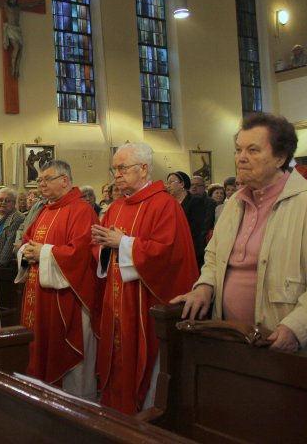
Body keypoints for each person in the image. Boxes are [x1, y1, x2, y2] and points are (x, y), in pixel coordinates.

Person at [171, 113, 307, 359]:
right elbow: (213, 257)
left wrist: (296, 327)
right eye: (238, 149)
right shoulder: (234, 203)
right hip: (230, 339)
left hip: (283, 345)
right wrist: (204, 287)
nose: (241, 158)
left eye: (253, 150)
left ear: (280, 157)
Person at [91, 143, 198, 414]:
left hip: (144, 302)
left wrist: (123, 243)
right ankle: (113, 409)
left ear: (144, 169)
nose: (116, 174)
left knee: (141, 365)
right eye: (114, 168)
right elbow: (105, 250)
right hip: (117, 299)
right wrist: (104, 246)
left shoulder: (164, 205)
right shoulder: (115, 207)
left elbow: (167, 254)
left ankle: (140, 418)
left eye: (122, 168)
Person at [16, 160, 99, 399]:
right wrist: (27, 253)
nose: (40, 184)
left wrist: (42, 252)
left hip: (66, 297)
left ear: (65, 180)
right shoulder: (44, 210)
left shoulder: (81, 210)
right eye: (39, 180)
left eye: (46, 179)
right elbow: (27, 244)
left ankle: (76, 405)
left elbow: (80, 253)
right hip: (40, 297)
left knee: (68, 360)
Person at [166, 171, 208, 272]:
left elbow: (196, 228)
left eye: (171, 182)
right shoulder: (169, 203)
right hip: (175, 248)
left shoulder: (195, 201)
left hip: (192, 247)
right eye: (167, 183)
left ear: (182, 184)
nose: (168, 186)